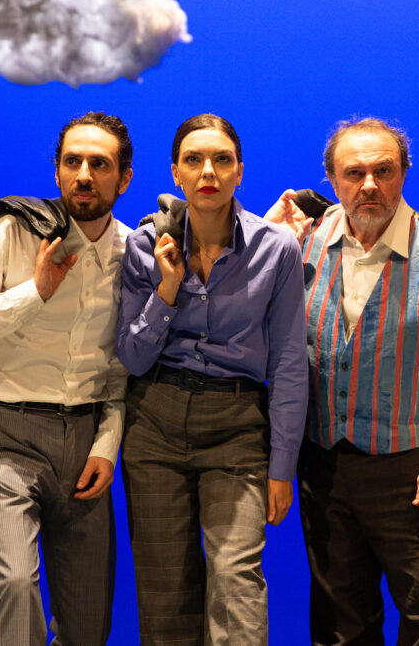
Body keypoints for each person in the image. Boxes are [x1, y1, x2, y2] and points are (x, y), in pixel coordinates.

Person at [272, 117, 419, 644]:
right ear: (332, 179)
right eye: (354, 173)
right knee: (338, 626)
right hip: (324, 466)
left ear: (404, 174)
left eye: (384, 171)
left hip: (413, 471)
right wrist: (270, 228)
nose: (369, 185)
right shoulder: (300, 240)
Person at [0, 112, 133, 646]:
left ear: (124, 178)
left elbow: (121, 369)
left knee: (89, 626)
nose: (83, 175)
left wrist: (106, 445)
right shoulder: (8, 230)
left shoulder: (133, 252)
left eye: (99, 164)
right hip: (4, 434)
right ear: (57, 171)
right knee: (17, 585)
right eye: (72, 162)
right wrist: (34, 293)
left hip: (85, 442)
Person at [116, 114, 308, 644]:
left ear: (239, 172)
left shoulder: (277, 248)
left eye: (222, 160)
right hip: (154, 422)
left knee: (235, 581)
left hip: (237, 426)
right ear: (175, 172)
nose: (208, 171)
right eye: (194, 160)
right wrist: (168, 288)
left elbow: (289, 362)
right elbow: (132, 358)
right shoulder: (145, 244)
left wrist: (282, 466)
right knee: (166, 594)